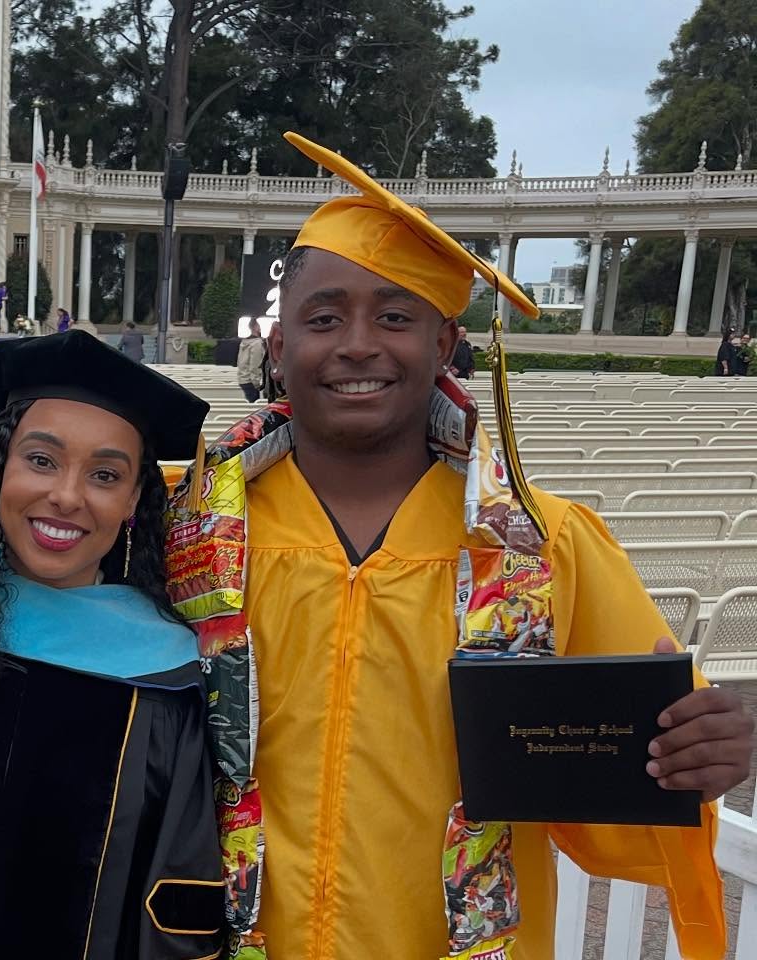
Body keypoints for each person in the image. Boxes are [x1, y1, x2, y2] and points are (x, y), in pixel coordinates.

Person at [222, 132, 749, 960]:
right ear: (278, 349)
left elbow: (619, 783)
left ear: (442, 347)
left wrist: (696, 753)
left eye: (395, 316)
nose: (358, 343)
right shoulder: (192, 534)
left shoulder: (546, 549)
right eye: (324, 318)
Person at [0, 329, 223, 959]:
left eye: (104, 474)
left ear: (133, 501)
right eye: (41, 459)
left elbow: (178, 892)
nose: (66, 496)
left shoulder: (165, 673)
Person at [236, 317, 266, 402]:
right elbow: (255, 364)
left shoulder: (244, 342)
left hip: (243, 379)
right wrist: (256, 383)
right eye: (259, 326)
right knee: (254, 406)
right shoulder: (257, 343)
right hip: (251, 381)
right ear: (255, 327)